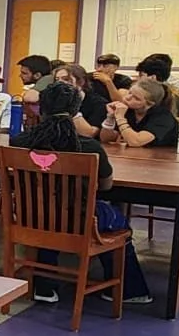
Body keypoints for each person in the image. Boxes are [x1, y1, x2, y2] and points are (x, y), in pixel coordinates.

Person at [23, 83, 152, 306]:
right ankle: (129, 291)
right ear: (76, 112)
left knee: (49, 212)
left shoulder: (21, 142)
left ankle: (44, 287)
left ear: (41, 108)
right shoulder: (89, 146)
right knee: (114, 220)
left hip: (33, 215)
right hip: (79, 219)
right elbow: (106, 185)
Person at [102, 78, 179, 149]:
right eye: (129, 93)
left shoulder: (163, 117)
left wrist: (120, 118)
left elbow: (135, 141)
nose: (127, 98)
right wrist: (110, 117)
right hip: (135, 155)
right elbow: (106, 138)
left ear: (150, 104)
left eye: (136, 98)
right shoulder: (128, 110)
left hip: (164, 157)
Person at [53, 62, 111, 139]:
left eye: (66, 79)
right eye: (57, 80)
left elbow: (90, 134)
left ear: (81, 82)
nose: (60, 83)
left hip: (86, 146)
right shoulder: (53, 100)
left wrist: (70, 107)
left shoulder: (99, 103)